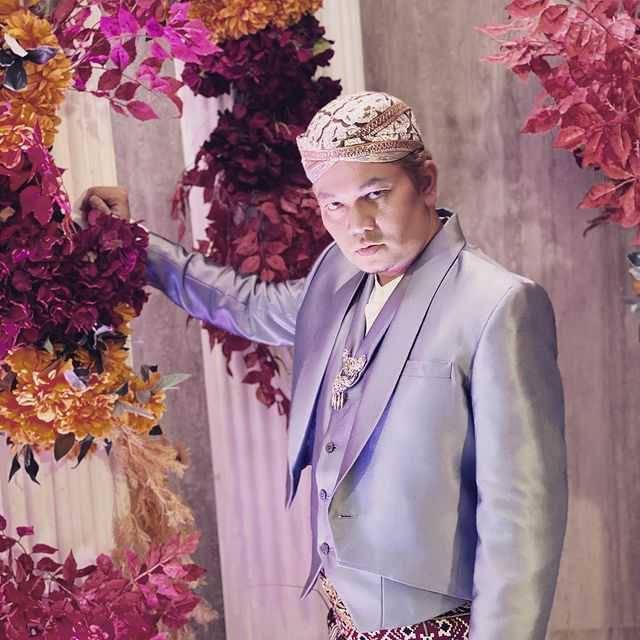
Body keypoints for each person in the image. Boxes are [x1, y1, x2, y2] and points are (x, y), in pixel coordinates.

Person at [82, 91, 568, 640]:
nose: (357, 225)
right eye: (333, 204)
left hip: (441, 624)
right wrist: (131, 244)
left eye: (375, 195)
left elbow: (522, 515)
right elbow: (251, 306)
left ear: (426, 182)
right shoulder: (338, 273)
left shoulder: (499, 304)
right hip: (342, 613)